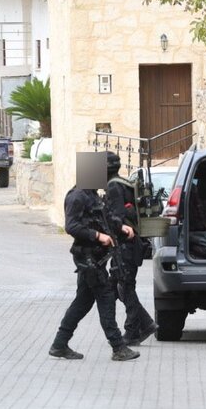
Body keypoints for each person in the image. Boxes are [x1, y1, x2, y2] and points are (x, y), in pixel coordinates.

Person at [49, 185, 139, 361]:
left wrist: (120, 227)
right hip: (88, 258)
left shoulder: (92, 194)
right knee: (106, 297)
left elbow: (102, 219)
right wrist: (97, 236)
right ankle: (118, 347)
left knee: (83, 302)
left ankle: (59, 344)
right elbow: (72, 226)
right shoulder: (77, 196)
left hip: (96, 257)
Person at [104, 152, 156, 345]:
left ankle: (133, 331)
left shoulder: (114, 187)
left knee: (125, 287)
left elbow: (116, 217)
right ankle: (146, 323)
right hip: (128, 245)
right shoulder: (123, 183)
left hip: (125, 245)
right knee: (116, 287)